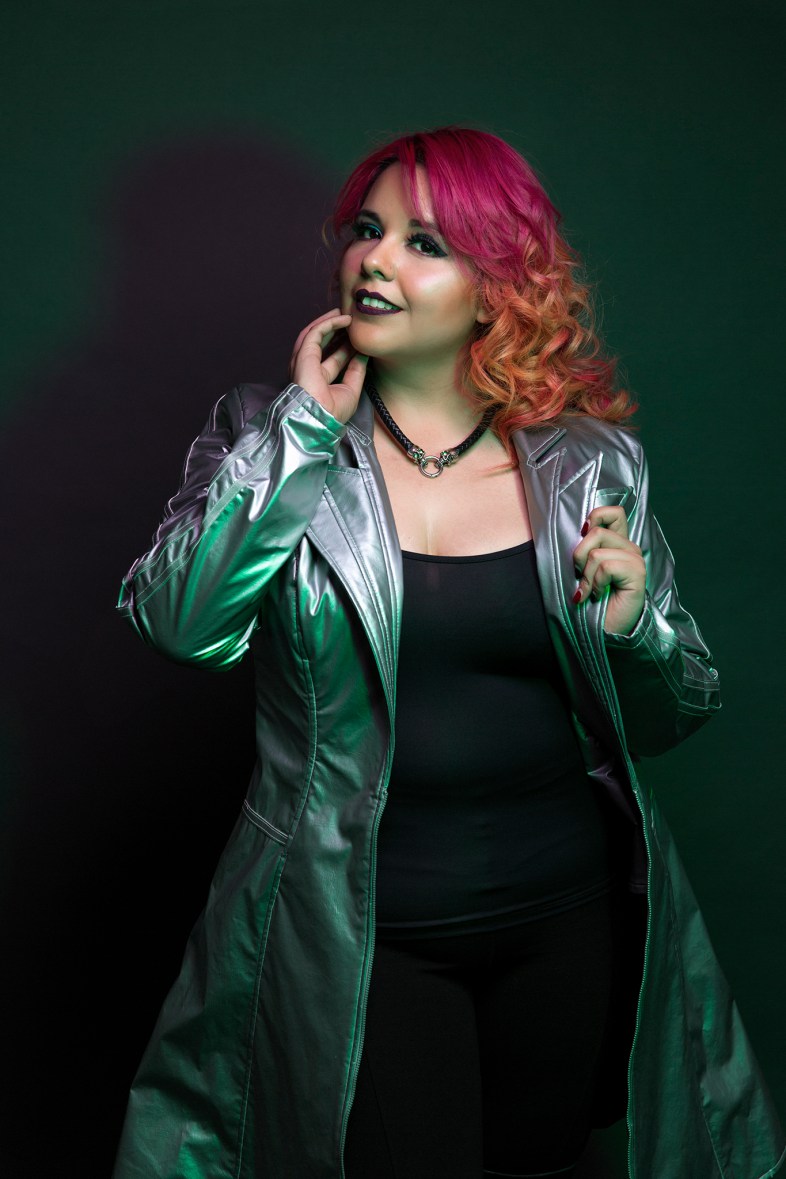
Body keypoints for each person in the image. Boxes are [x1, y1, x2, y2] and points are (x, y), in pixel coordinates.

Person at [112, 127, 784, 1179]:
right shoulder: (265, 432)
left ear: (495, 287)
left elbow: (670, 716)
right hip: (365, 932)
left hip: (564, 922)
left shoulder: (587, 463)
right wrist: (302, 431)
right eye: (367, 231)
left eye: (424, 243)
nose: (374, 260)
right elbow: (180, 623)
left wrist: (632, 630)